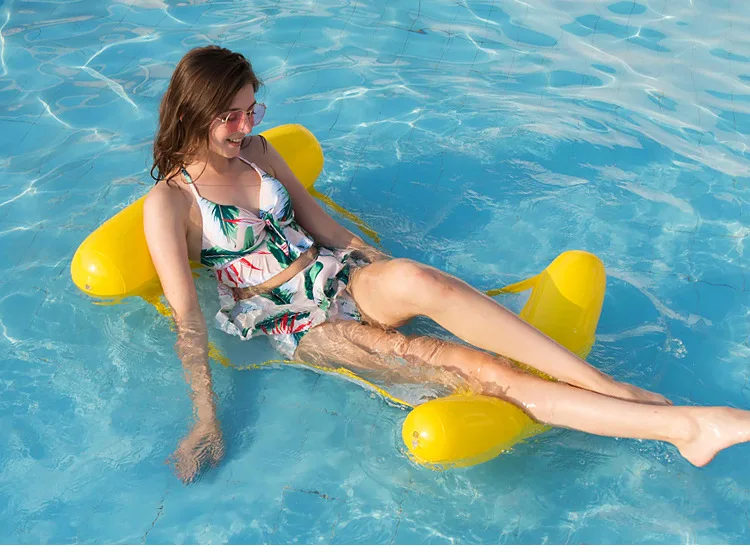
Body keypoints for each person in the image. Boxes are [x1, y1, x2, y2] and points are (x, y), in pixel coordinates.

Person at [144, 45, 750, 484]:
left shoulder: (258, 150)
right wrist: (205, 417)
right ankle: (687, 429)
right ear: (194, 112)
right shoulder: (170, 203)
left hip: (333, 272)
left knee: (418, 278)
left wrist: (391, 271)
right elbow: (187, 317)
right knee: (478, 369)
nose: (246, 125)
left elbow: (322, 226)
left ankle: (604, 385)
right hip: (296, 322)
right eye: (232, 115)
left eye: (252, 110)